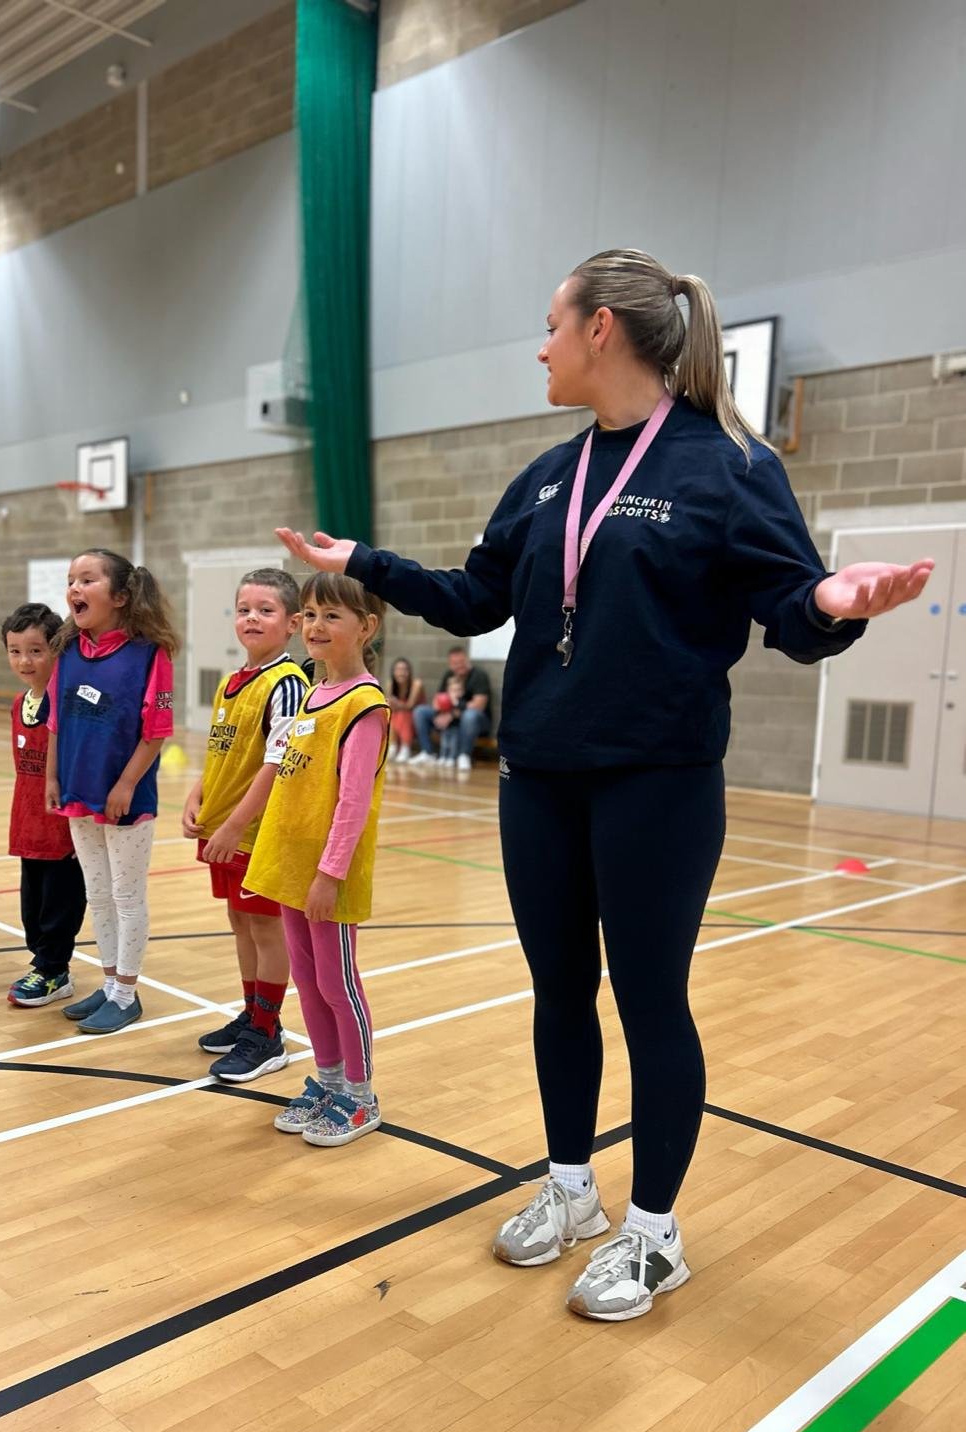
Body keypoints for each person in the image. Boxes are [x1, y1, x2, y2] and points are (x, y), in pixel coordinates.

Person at [277, 247, 933, 1317]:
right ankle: (571, 1187)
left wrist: (831, 603)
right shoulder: (548, 474)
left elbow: (789, 610)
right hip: (538, 777)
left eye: (550, 324)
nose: (539, 347)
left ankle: (653, 1232)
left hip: (657, 783)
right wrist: (364, 561)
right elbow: (475, 597)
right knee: (557, 992)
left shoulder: (728, 465)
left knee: (649, 1000)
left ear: (599, 330)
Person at [243, 572, 390, 1146]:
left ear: (366, 626)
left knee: (337, 984)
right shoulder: (310, 693)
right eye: (308, 614)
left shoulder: (364, 705)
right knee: (306, 980)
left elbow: (353, 804)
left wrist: (329, 874)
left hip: (329, 875)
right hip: (292, 868)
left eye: (331, 615)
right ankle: (328, 1082)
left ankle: (360, 1095)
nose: (315, 626)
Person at [182, 568, 308, 1081]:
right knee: (240, 921)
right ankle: (252, 1013)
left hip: (258, 832)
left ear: (293, 623)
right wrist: (198, 794)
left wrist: (235, 824)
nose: (251, 618)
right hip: (225, 827)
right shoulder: (232, 681)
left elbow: (276, 764)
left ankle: (268, 1033)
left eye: (265, 610)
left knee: (265, 927)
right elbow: (225, 754)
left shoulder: (287, 684)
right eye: (243, 609)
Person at [46, 549, 176, 1036]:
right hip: (77, 790)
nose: (74, 589)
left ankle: (127, 993)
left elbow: (156, 731)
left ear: (120, 596)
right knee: (97, 894)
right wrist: (52, 778)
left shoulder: (150, 654)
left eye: (87, 580)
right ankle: (108, 983)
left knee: (126, 895)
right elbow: (55, 721)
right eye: (71, 580)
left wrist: (126, 783)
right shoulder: (67, 650)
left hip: (126, 798)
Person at [1, 602, 88, 1007]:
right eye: (15, 651)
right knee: (32, 907)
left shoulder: (68, 703)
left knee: (60, 905)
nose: (25, 661)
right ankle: (42, 964)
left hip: (62, 827)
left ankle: (54, 970)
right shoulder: (19, 703)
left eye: (35, 650)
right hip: (28, 823)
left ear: (56, 650)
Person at [410, 646, 491, 772]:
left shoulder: (479, 675)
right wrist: (439, 714)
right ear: (450, 664)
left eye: (461, 662)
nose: (459, 666)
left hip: (477, 722)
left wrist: (451, 714)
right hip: (451, 717)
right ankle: (428, 752)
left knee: (470, 715)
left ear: (467, 660)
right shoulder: (449, 675)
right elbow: (437, 700)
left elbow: (478, 705)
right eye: (455, 663)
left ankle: (464, 755)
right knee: (420, 711)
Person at [386, 657, 424, 763]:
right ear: (393, 672)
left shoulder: (416, 684)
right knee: (391, 713)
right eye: (398, 670)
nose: (401, 673)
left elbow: (410, 705)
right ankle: (392, 746)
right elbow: (390, 704)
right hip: (398, 716)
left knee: (403, 713)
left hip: (415, 717)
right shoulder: (390, 684)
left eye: (404, 670)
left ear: (409, 672)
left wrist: (396, 704)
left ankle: (405, 747)